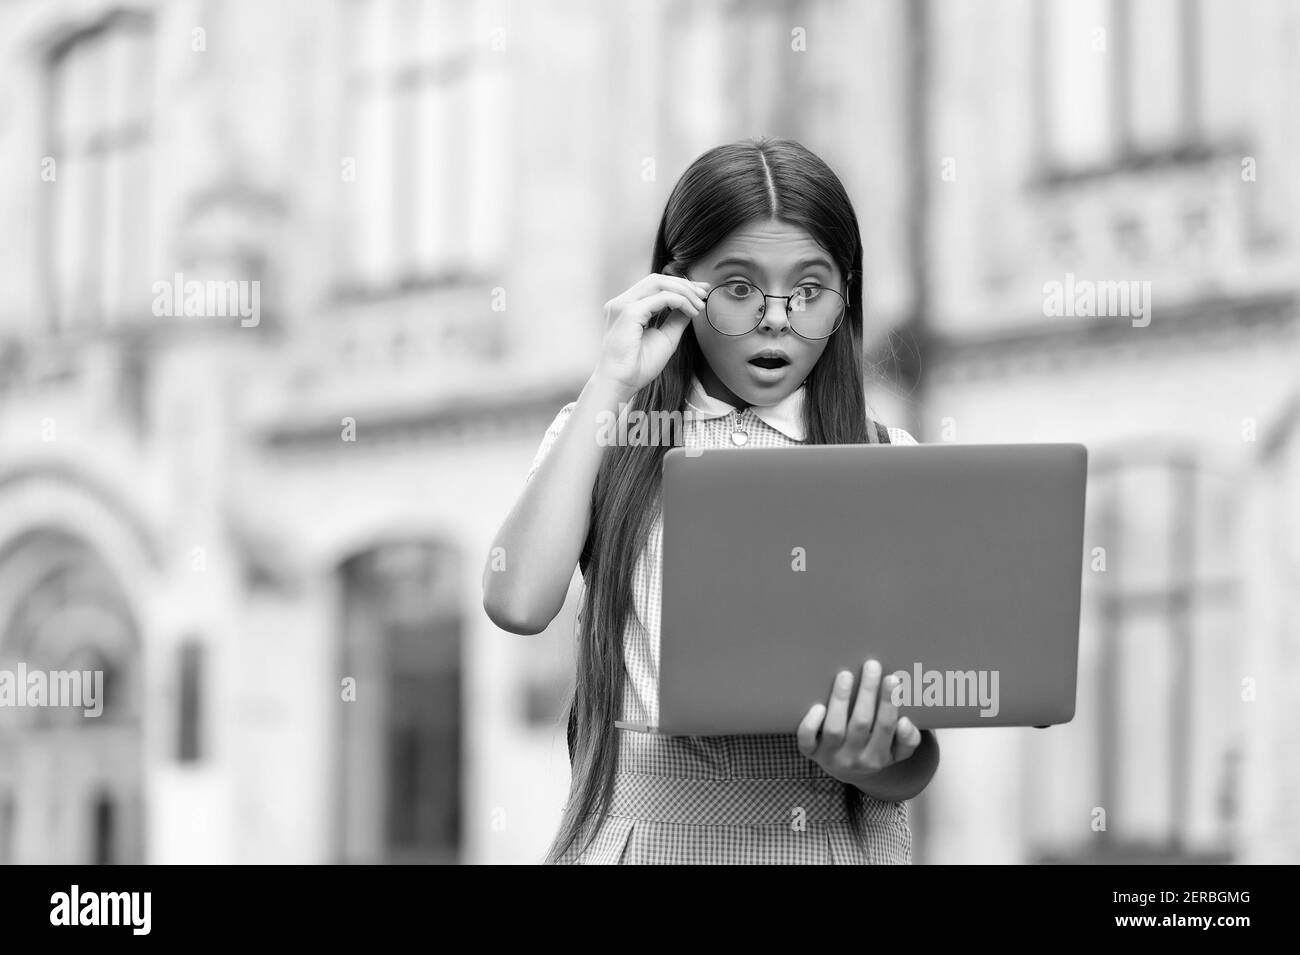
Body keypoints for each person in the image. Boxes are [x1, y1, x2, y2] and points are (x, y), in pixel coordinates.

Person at [483, 137, 940, 864]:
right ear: (676, 287)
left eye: (810, 289)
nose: (775, 318)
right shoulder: (610, 435)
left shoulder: (891, 463)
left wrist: (864, 755)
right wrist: (611, 381)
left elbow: (913, 758)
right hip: (639, 841)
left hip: (819, 842)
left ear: (846, 293)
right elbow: (517, 599)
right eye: (737, 288)